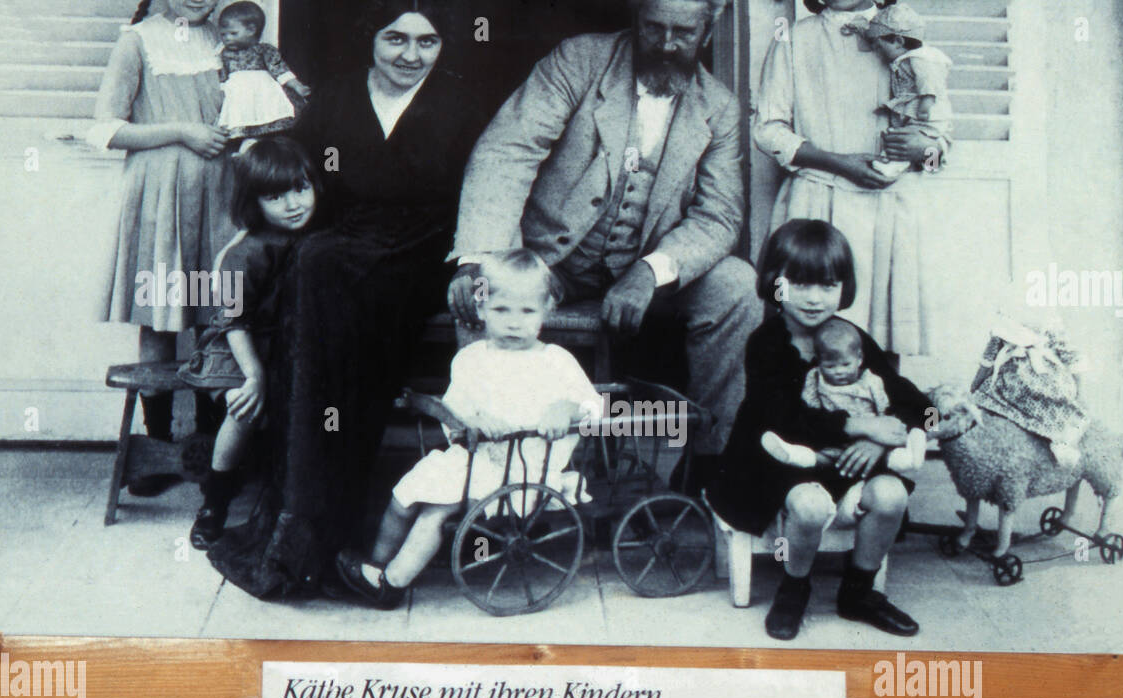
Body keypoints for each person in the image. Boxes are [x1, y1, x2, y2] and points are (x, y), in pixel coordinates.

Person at [208, 0, 486, 600]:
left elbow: (487, 190)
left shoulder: (463, 104)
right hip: (339, 243)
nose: (411, 55)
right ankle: (303, 530)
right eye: (396, 39)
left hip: (419, 254)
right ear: (371, 39)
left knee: (318, 270)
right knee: (308, 276)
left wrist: (475, 259)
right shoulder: (333, 97)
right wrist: (249, 224)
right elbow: (291, 173)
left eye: (427, 42)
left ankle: (329, 525)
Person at [446, 0, 764, 486]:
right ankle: (481, 476)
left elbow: (719, 216)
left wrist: (650, 271)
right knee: (482, 293)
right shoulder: (578, 61)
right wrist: (480, 258)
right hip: (549, 262)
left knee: (738, 286)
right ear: (636, 16)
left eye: (683, 32)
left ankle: (708, 469)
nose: (666, 44)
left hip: (643, 269)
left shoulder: (718, 108)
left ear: (710, 25)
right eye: (654, 28)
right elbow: (508, 150)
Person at [335, 251, 604, 609]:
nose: (514, 322)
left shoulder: (556, 360)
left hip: (521, 475)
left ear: (547, 311)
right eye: (501, 310)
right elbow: (454, 409)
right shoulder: (471, 359)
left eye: (527, 312)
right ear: (480, 309)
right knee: (403, 498)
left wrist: (565, 408)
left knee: (435, 511)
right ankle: (374, 563)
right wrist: (473, 419)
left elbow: (594, 407)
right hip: (471, 460)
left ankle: (391, 583)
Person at [707, 220, 930, 641]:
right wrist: (861, 426)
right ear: (775, 283)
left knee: (891, 493)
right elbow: (783, 417)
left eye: (827, 286)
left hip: (845, 463)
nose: (813, 298)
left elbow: (913, 402)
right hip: (777, 461)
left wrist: (878, 440)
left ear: (843, 289)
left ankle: (858, 591)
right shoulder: (767, 343)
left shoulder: (851, 339)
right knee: (808, 506)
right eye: (800, 284)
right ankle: (794, 588)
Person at [89, 0, 235, 495]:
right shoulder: (136, 41)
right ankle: (157, 450)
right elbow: (106, 128)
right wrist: (181, 130)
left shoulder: (226, 38)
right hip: (158, 197)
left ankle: (216, 446)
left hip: (222, 196)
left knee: (221, 313)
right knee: (160, 314)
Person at [752, 0, 951, 355]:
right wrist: (838, 162)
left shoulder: (908, 38)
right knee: (802, 340)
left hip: (889, 212)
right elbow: (768, 130)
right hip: (817, 202)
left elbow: (940, 145)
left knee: (882, 345)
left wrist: (924, 150)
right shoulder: (794, 38)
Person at [178, 138, 322, 550]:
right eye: (275, 197)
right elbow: (233, 321)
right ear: (253, 202)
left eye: (301, 188)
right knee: (245, 408)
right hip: (237, 349)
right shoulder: (245, 252)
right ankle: (214, 502)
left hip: (288, 344)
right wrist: (255, 376)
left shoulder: (316, 237)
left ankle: (294, 497)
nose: (293, 204)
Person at [761, 316, 926, 476]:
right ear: (818, 361)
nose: (839, 371)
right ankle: (794, 455)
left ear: (860, 358)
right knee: (817, 456)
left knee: (897, 456)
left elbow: (908, 408)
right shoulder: (810, 374)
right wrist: (851, 426)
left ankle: (913, 454)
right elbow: (805, 410)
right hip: (830, 443)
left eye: (846, 364)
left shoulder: (871, 379)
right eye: (830, 366)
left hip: (871, 445)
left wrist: (880, 440)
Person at [970, 309, 1090, 468]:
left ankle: (1059, 444)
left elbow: (1070, 355)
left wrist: (1080, 392)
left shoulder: (1049, 321)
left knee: (1061, 405)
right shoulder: (1006, 321)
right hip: (1014, 380)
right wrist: (977, 381)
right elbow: (990, 355)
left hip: (1034, 379)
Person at [865, 3, 954, 179]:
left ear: (898, 41)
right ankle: (892, 165)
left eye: (879, 45)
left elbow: (930, 83)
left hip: (925, 120)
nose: (876, 50)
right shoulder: (904, 58)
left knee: (909, 142)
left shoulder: (921, 59)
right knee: (900, 139)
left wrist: (926, 105)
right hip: (911, 119)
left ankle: (895, 166)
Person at [216, 1, 312, 141]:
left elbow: (279, 69)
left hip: (262, 93)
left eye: (233, 33)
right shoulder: (224, 53)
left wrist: (297, 86)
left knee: (269, 119)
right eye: (223, 35)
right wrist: (222, 93)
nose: (227, 38)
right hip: (238, 96)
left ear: (251, 30)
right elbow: (223, 75)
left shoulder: (264, 50)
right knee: (241, 124)